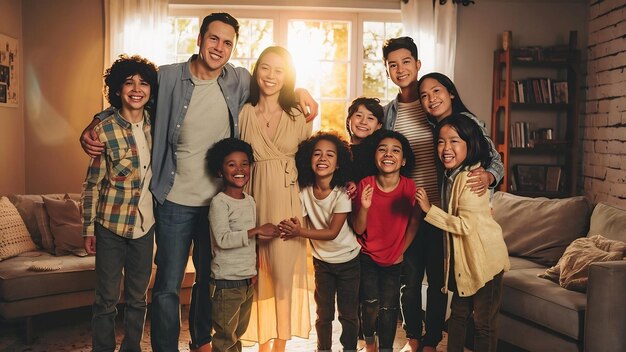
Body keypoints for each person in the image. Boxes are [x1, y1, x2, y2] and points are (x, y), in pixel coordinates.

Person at [79, 13, 318, 352]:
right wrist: (94, 123)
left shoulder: (239, 80)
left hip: (218, 203)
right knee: (167, 285)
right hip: (173, 201)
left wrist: (303, 89)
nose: (219, 47)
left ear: (233, 48)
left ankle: (202, 343)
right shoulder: (167, 77)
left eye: (227, 43)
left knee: (212, 281)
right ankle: (166, 347)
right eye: (213, 39)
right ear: (200, 38)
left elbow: (277, 85)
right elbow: (130, 101)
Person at [381, 37, 504, 352]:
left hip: (445, 212)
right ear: (387, 71)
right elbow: (381, 153)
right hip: (409, 210)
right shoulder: (389, 114)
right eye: (392, 64)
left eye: (406, 61)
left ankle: (432, 341)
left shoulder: (449, 119)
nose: (400, 69)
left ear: (417, 64)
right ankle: (413, 337)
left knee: (438, 283)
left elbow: (491, 160)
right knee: (409, 283)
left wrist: (489, 176)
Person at [81, 54, 158, 352]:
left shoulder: (157, 125)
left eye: (143, 83)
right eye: (129, 82)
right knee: (106, 299)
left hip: (145, 226)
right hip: (110, 226)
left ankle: (132, 348)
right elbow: (92, 185)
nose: (137, 89)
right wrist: (88, 229)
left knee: (139, 298)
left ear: (151, 90)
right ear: (117, 89)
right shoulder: (103, 129)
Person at [238, 46, 312, 352]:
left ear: (288, 76)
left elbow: (311, 163)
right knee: (255, 279)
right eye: (265, 68)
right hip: (252, 202)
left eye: (279, 70)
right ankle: (261, 343)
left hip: (286, 201)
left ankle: (278, 347)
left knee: (282, 280)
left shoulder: (298, 114)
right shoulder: (243, 112)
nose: (271, 76)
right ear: (256, 71)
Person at [414, 113, 510, 352]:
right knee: (457, 315)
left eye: (454, 141)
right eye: (441, 141)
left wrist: (429, 210)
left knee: (483, 323)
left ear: (470, 143)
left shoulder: (471, 179)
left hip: (485, 263)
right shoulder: (452, 176)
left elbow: (466, 226)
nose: (446, 148)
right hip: (464, 261)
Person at [279, 131, 360, 352]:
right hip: (322, 261)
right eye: (317, 154)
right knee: (323, 313)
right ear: (309, 159)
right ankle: (322, 349)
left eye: (330, 155)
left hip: (348, 260)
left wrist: (299, 232)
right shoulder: (304, 192)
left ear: (339, 164)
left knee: (348, 314)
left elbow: (332, 232)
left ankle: (349, 349)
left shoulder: (342, 193)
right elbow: (300, 220)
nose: (323, 158)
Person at [206, 138, 278, 352]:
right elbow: (223, 239)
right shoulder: (219, 202)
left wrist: (270, 233)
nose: (239, 169)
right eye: (232, 164)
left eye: (244, 163)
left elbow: (249, 241)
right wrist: (257, 230)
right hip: (226, 284)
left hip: (246, 281)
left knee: (238, 335)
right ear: (220, 171)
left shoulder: (250, 200)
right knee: (225, 338)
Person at [352, 130, 421, 352]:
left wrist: (402, 250)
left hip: (395, 258)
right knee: (370, 303)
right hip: (368, 255)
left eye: (395, 150)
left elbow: (413, 225)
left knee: (389, 308)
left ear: (403, 160)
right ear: (375, 156)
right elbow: (358, 228)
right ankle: (370, 340)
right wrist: (364, 206)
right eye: (382, 149)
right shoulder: (366, 184)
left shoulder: (410, 187)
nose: (388, 154)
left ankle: (386, 349)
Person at [345, 97, 384, 183]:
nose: (363, 122)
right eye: (358, 115)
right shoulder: (340, 150)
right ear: (349, 120)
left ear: (378, 126)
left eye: (370, 118)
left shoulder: (378, 153)